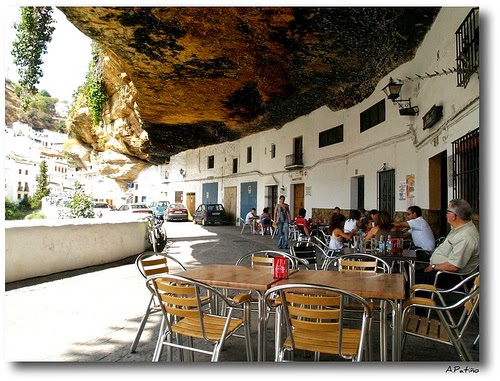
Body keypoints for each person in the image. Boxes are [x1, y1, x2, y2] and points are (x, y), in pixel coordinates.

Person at [414, 199, 479, 288]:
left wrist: (433, 266)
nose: (446, 214)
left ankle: (419, 301)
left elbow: (453, 266)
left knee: (411, 281)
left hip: (454, 278)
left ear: (453, 216)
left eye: (447, 211)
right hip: (442, 272)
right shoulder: (458, 228)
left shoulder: (466, 237)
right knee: (409, 275)